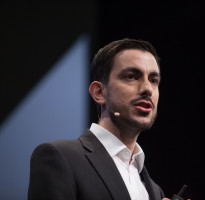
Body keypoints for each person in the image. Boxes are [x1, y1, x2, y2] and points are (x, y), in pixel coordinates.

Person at [28, 38, 171, 200]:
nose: (147, 89)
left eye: (153, 80)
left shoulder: (154, 190)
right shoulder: (60, 157)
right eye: (131, 76)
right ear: (99, 93)